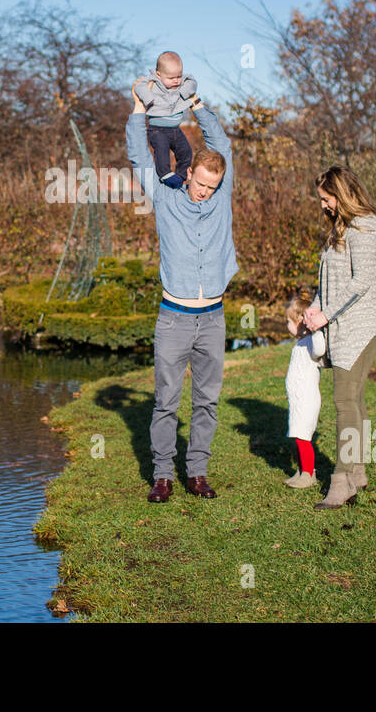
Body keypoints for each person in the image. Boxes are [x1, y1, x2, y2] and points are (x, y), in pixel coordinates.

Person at [126, 50, 237, 503]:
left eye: (213, 186)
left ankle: (197, 473)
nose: (205, 192)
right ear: (187, 172)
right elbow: (138, 158)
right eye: (200, 183)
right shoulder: (167, 199)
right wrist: (138, 108)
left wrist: (197, 104)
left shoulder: (220, 199)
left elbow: (222, 146)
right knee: (166, 402)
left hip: (212, 318)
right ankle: (162, 477)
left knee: (207, 402)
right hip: (173, 319)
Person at [301, 165, 376, 509]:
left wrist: (326, 313)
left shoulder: (366, 226)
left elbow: (361, 282)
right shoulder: (341, 228)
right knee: (354, 399)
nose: (323, 205)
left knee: (343, 399)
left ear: (342, 194)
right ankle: (357, 471)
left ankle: (341, 480)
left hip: (363, 325)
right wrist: (314, 308)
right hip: (344, 324)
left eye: (326, 199)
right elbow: (331, 282)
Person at [283, 286, 326, 489]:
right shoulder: (299, 343)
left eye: (288, 322)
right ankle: (301, 470)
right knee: (298, 436)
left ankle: (309, 474)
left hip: (307, 399)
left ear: (301, 321)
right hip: (298, 399)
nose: (286, 325)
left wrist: (315, 329)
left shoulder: (311, 342)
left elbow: (320, 349)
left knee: (303, 438)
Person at [133, 59, 198, 188]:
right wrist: (148, 98)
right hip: (157, 130)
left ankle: (181, 175)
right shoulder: (152, 81)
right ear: (159, 74)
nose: (176, 81)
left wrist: (185, 92)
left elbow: (192, 82)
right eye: (171, 78)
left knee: (186, 151)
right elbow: (139, 86)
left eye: (179, 76)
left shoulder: (182, 83)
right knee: (162, 151)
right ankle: (165, 174)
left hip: (176, 129)